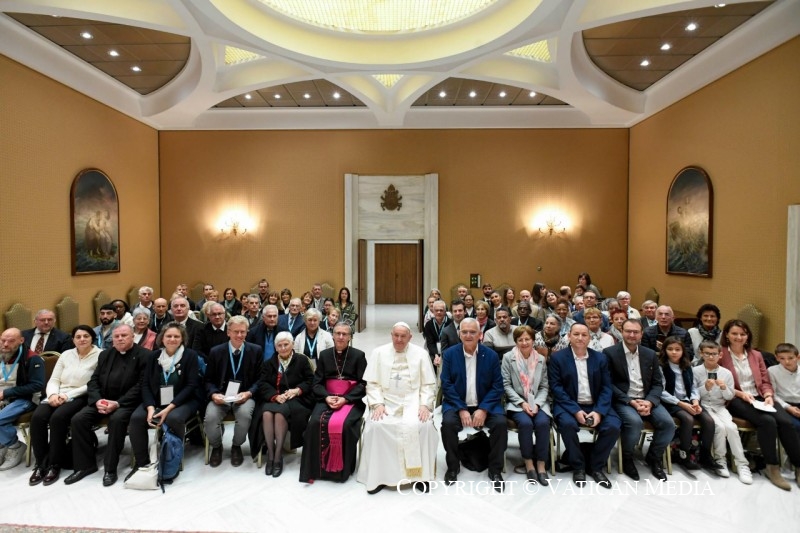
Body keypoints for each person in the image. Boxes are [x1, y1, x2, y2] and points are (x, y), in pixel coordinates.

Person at [718, 319, 800, 490]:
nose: (739, 337)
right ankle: (772, 467)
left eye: (742, 334)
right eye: (734, 333)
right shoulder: (721, 354)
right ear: (727, 334)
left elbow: (764, 381)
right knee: (768, 422)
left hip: (760, 397)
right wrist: (740, 393)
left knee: (785, 421)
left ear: (747, 336)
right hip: (735, 398)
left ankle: (798, 466)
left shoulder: (756, 355)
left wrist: (769, 395)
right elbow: (720, 381)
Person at [357, 322, 437, 494]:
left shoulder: (421, 354)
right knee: (378, 426)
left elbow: (428, 385)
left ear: (410, 337)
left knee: (424, 426)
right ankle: (379, 477)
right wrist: (377, 404)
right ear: (391, 335)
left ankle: (420, 477)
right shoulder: (379, 353)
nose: (399, 340)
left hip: (414, 402)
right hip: (387, 402)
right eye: (396, 335)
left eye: (403, 336)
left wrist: (424, 405)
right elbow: (372, 383)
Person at [66, 325, 149, 486]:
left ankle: (110, 469)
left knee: (117, 421)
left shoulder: (145, 355)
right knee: (78, 419)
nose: (120, 339)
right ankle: (85, 466)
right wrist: (97, 400)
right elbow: (94, 380)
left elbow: (141, 385)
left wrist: (118, 403)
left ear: (133, 337)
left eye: (124, 335)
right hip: (103, 400)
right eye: (116, 336)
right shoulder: (105, 355)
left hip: (127, 403)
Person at [548, 323, 620, 488]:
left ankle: (596, 466)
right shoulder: (558, 358)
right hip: (568, 404)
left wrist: (599, 412)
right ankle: (578, 466)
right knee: (567, 425)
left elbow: (606, 387)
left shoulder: (600, 358)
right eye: (576, 334)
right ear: (569, 336)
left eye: (584, 335)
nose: (580, 338)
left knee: (613, 426)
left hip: (596, 404)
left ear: (589, 338)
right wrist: (575, 411)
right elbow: (556, 388)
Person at [440, 318, 507, 492]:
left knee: (500, 424)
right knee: (447, 424)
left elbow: (497, 386)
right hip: (457, 404)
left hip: (485, 404)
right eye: (464, 332)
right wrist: (461, 409)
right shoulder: (449, 355)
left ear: (480, 335)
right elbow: (446, 384)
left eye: (472, 332)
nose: (468, 335)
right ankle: (453, 467)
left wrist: (483, 409)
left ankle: (495, 470)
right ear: (459, 334)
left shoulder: (491, 356)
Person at [604, 319, 675, 482]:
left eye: (636, 332)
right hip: (624, 400)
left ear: (641, 334)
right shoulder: (610, 353)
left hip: (647, 398)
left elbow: (658, 383)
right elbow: (608, 383)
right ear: (622, 332)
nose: (631, 335)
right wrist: (630, 401)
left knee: (668, 424)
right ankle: (627, 457)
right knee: (635, 422)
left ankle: (653, 457)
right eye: (628, 331)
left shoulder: (650, 354)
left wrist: (650, 402)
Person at [127, 323, 200, 479]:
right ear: (162, 338)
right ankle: (142, 464)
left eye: (176, 336)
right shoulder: (153, 356)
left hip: (183, 400)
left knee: (174, 418)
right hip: (156, 400)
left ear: (182, 339)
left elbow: (191, 385)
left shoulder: (190, 356)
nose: (172, 339)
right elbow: (145, 384)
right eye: (168, 336)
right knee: (136, 418)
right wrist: (151, 408)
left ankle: (171, 462)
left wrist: (169, 409)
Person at [29, 326, 100, 485]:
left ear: (92, 338)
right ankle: (41, 463)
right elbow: (54, 379)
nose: (82, 339)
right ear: (73, 339)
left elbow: (94, 384)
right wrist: (53, 394)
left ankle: (55, 463)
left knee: (58, 418)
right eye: (78, 336)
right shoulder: (66, 355)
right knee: (38, 417)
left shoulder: (100, 355)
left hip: (80, 396)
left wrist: (67, 396)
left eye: (86, 336)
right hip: (57, 393)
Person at [300, 322, 367, 483]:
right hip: (327, 398)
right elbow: (316, 383)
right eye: (338, 333)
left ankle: (341, 471)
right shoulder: (324, 355)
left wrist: (346, 398)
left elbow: (364, 383)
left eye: (345, 334)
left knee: (345, 425)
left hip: (350, 400)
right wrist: (326, 397)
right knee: (315, 422)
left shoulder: (358, 355)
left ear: (350, 337)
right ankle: (316, 469)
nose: (341, 337)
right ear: (333, 335)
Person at [250, 331, 314, 477]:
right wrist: (275, 396)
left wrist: (297, 390)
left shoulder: (301, 360)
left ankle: (278, 457)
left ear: (292, 345)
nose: (283, 348)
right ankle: (270, 456)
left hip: (296, 399)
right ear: (276, 347)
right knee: (266, 414)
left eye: (286, 344)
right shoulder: (269, 363)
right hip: (275, 398)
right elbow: (263, 384)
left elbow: (310, 381)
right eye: (280, 345)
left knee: (279, 414)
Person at [204, 316, 262, 467]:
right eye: (236, 332)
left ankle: (237, 446)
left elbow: (260, 379)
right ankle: (217, 447)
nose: (239, 335)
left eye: (243, 332)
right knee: (210, 418)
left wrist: (249, 393)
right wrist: (214, 394)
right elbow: (208, 379)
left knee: (244, 416)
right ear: (228, 332)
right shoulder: (216, 352)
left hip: (244, 395)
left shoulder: (255, 350)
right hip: (221, 396)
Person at [693, 340, 752, 482]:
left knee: (731, 427)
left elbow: (730, 396)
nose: (711, 357)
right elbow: (693, 393)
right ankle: (720, 459)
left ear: (720, 355)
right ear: (701, 354)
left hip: (720, 406)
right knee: (719, 427)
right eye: (707, 354)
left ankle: (742, 464)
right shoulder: (695, 371)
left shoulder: (726, 373)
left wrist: (724, 388)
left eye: (714, 354)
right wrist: (705, 388)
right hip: (704, 406)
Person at [502, 325, 552, 485]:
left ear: (533, 340)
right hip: (517, 403)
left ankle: (541, 464)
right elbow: (506, 385)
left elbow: (544, 386)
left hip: (538, 402)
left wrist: (537, 404)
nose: (524, 342)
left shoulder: (541, 359)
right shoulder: (508, 358)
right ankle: (529, 463)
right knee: (525, 424)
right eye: (520, 340)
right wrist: (522, 403)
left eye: (527, 339)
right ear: (516, 341)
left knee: (543, 423)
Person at [658, 336, 715, 473]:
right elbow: (661, 391)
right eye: (670, 349)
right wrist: (681, 404)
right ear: (664, 350)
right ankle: (684, 454)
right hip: (671, 402)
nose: (674, 352)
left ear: (683, 351)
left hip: (688, 401)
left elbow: (694, 387)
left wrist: (695, 401)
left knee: (708, 421)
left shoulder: (687, 366)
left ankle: (705, 455)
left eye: (677, 349)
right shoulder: (661, 366)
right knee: (688, 419)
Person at [0, 328, 45, 471]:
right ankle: (2, 445)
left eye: (11, 341)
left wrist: (6, 393)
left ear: (21, 341)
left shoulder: (32, 358)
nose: (5, 344)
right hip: (5, 396)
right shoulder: (2, 355)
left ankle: (15, 446)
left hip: (25, 399)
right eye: (3, 340)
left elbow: (37, 385)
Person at [769, 343, 800, 434]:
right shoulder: (772, 371)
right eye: (782, 358)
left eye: (790, 358)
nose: (786, 362)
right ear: (777, 358)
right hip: (784, 405)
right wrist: (788, 407)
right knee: (795, 426)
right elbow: (773, 394)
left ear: (798, 357)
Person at [423, 300, 450, 366]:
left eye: (441, 310)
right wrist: (436, 355)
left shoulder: (450, 323)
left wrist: (442, 356)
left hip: (447, 350)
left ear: (445, 311)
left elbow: (450, 343)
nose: (439, 312)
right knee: (429, 361)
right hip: (433, 350)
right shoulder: (429, 324)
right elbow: (430, 342)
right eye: (436, 310)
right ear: (433, 311)